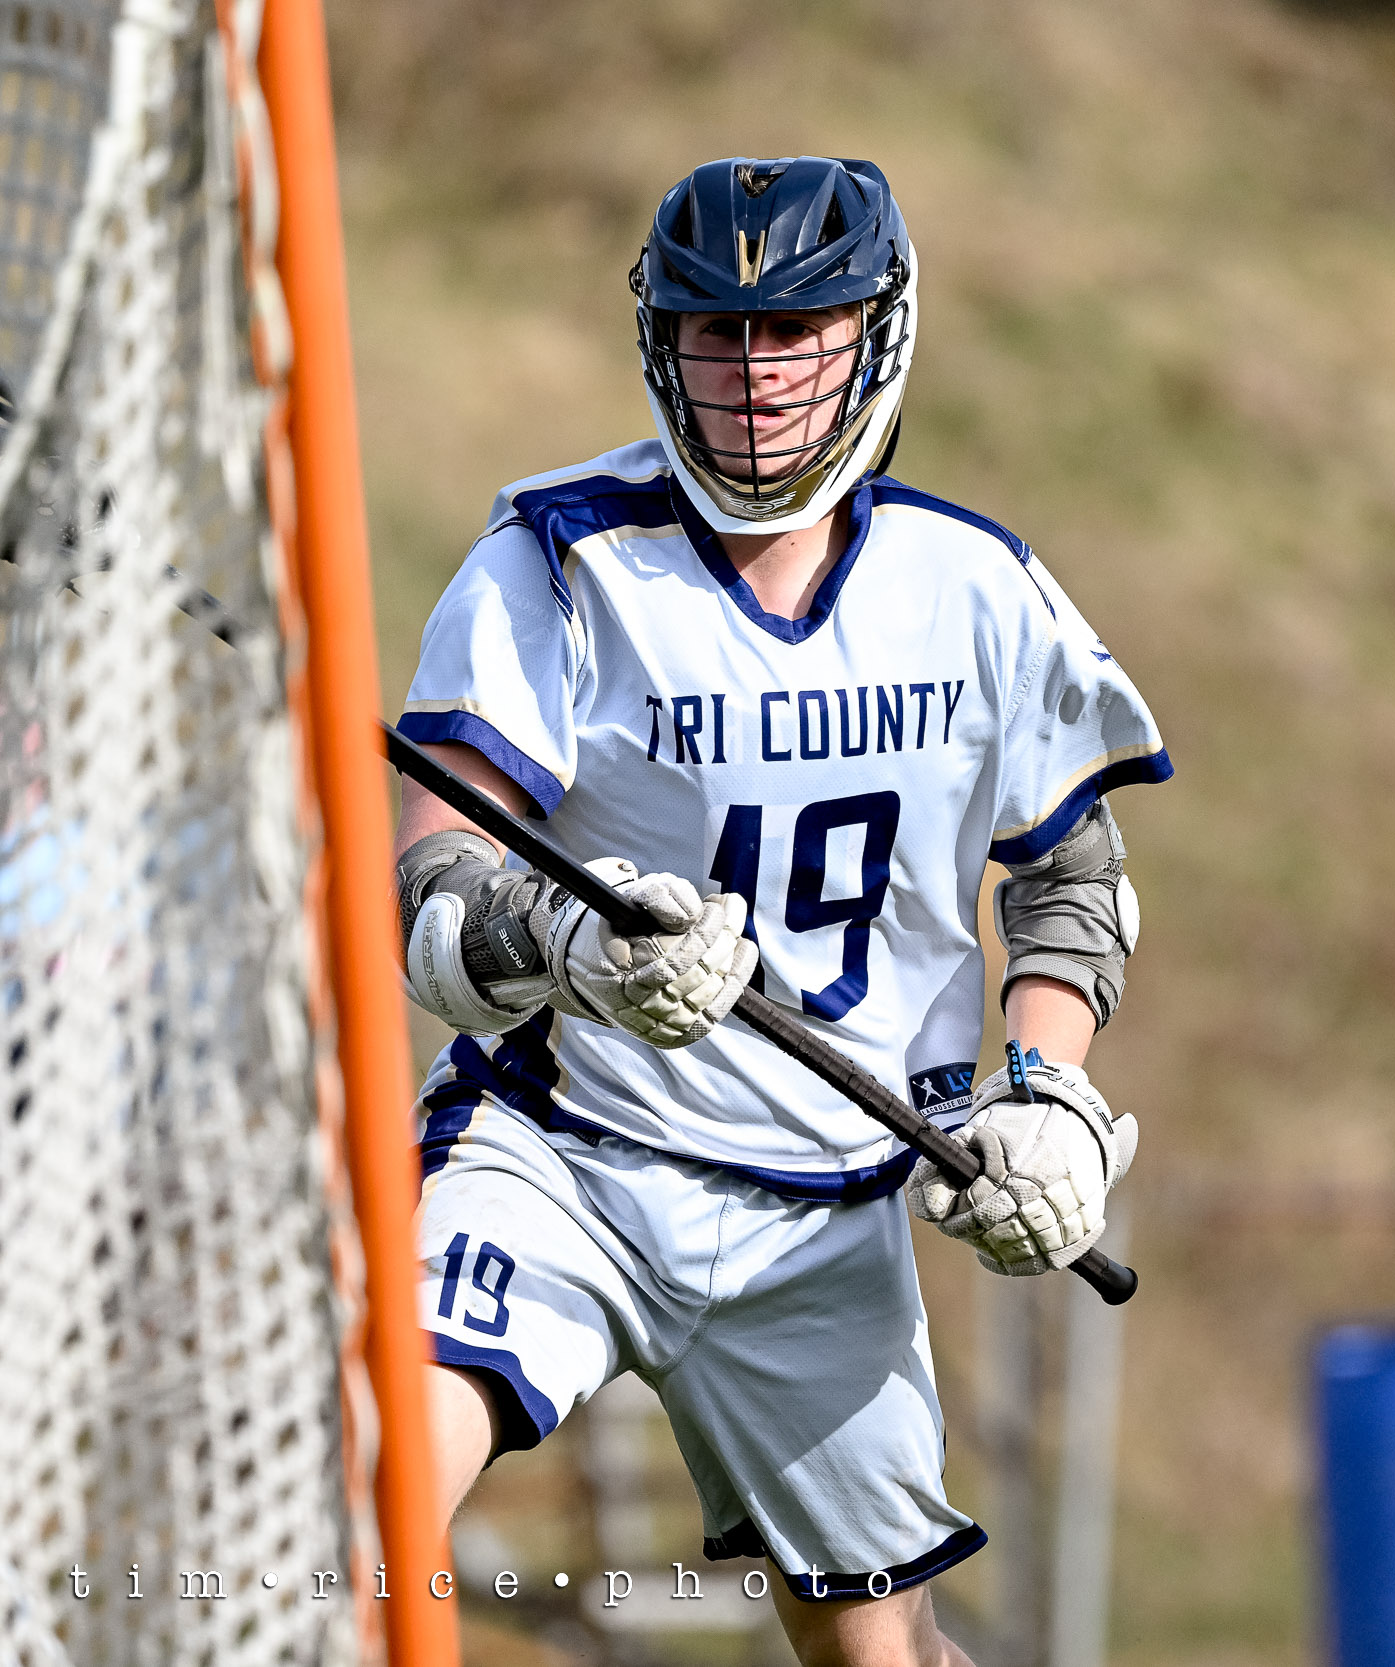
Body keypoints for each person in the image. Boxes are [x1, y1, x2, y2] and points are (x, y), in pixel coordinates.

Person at [392, 155, 1170, 1666]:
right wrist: (572, 944)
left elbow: (1069, 875)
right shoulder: (556, 562)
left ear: (878, 334)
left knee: (878, 1656)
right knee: (364, 1501)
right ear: (660, 340)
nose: (754, 377)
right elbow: (433, 899)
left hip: (823, 1206)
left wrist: (1048, 1093)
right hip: (564, 1149)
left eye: (797, 332)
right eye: (718, 333)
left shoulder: (975, 586)